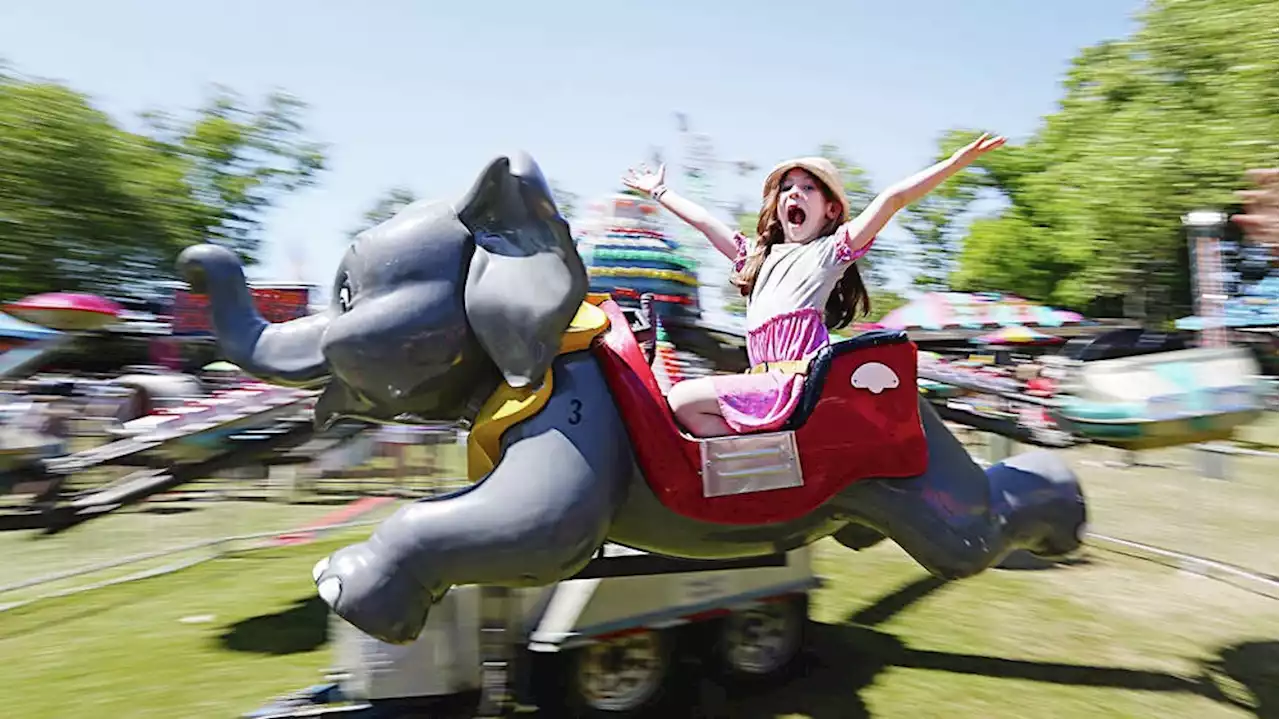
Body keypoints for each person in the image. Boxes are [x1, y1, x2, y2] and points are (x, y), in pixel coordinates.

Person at [622, 133, 1006, 437]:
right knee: (678, 406)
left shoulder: (829, 252)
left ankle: (763, 463)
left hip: (795, 383)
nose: (794, 194)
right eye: (788, 187)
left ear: (831, 210)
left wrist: (954, 164)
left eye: (808, 188)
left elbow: (893, 199)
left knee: (683, 399)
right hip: (761, 382)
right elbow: (706, 222)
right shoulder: (757, 258)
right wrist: (659, 192)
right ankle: (752, 465)